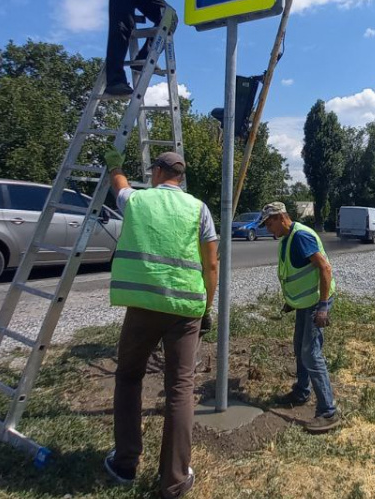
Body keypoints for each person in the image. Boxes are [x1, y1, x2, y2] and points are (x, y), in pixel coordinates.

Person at [101, 147, 219, 499]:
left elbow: (119, 186)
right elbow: (211, 265)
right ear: (180, 178)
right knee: (181, 389)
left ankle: (125, 462)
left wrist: (114, 165)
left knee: (128, 377)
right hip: (185, 310)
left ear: (156, 173)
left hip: (142, 307)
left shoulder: (137, 201)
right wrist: (206, 309)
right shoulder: (199, 208)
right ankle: (174, 479)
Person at [257, 201, 341, 433]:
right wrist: (291, 302)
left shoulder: (301, 236)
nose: (267, 229)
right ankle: (302, 392)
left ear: (280, 218)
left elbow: (324, 268)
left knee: (311, 353)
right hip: (305, 303)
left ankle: (328, 411)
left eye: (268, 223)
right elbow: (297, 272)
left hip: (316, 302)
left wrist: (323, 306)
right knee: (299, 346)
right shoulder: (287, 238)